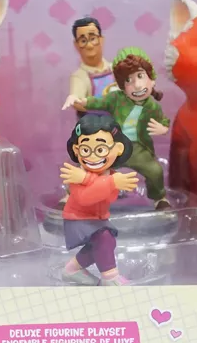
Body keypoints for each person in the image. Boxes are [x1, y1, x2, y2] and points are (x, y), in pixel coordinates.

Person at [69, 46, 171, 209]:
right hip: (113, 145)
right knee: (88, 166)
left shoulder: (152, 106)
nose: (137, 85)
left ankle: (159, 198)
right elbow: (99, 102)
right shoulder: (116, 98)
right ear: (122, 85)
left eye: (140, 76)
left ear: (151, 79)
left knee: (155, 170)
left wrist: (163, 128)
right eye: (129, 80)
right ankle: (70, 195)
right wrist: (82, 101)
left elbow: (164, 121)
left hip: (138, 148)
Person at [59, 114, 139, 285]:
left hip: (97, 218)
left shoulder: (111, 175)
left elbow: (109, 196)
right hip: (77, 219)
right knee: (104, 238)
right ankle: (110, 277)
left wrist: (106, 182)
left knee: (103, 243)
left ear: (118, 149)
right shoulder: (75, 174)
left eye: (101, 150)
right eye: (85, 150)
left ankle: (71, 269)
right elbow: (84, 198)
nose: (93, 157)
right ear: (76, 149)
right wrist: (108, 182)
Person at [62, 16, 115, 110]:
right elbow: (77, 101)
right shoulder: (79, 76)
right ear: (76, 45)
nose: (89, 46)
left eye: (93, 39)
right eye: (83, 41)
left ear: (101, 40)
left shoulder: (114, 68)